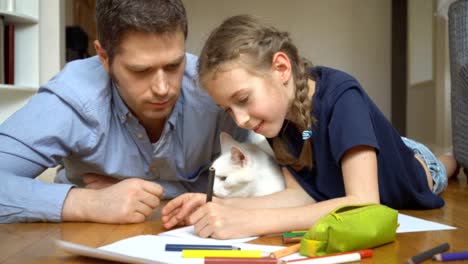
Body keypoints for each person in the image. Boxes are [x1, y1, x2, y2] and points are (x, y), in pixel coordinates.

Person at [161, 15, 459, 239]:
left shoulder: (342, 95)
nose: (240, 120)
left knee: (440, 166)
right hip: (358, 158)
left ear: (281, 68)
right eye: (228, 110)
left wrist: (253, 222)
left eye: (243, 99)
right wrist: (225, 205)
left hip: (414, 167)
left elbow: (365, 203)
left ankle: (451, 158)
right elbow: (300, 195)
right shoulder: (278, 122)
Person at [0, 0, 250, 224]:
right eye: (140, 71)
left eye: (174, 65)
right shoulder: (71, 98)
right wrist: (89, 203)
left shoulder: (213, 89)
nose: (163, 89)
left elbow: (254, 180)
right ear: (104, 57)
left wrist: (145, 192)